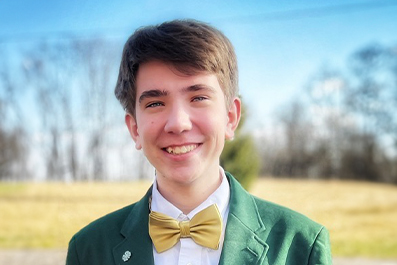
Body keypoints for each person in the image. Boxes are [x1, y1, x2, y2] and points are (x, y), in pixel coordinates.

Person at [66, 19, 332, 265]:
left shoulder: (301, 243)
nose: (178, 123)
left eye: (198, 98)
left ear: (230, 117)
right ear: (134, 128)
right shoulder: (88, 249)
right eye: (156, 103)